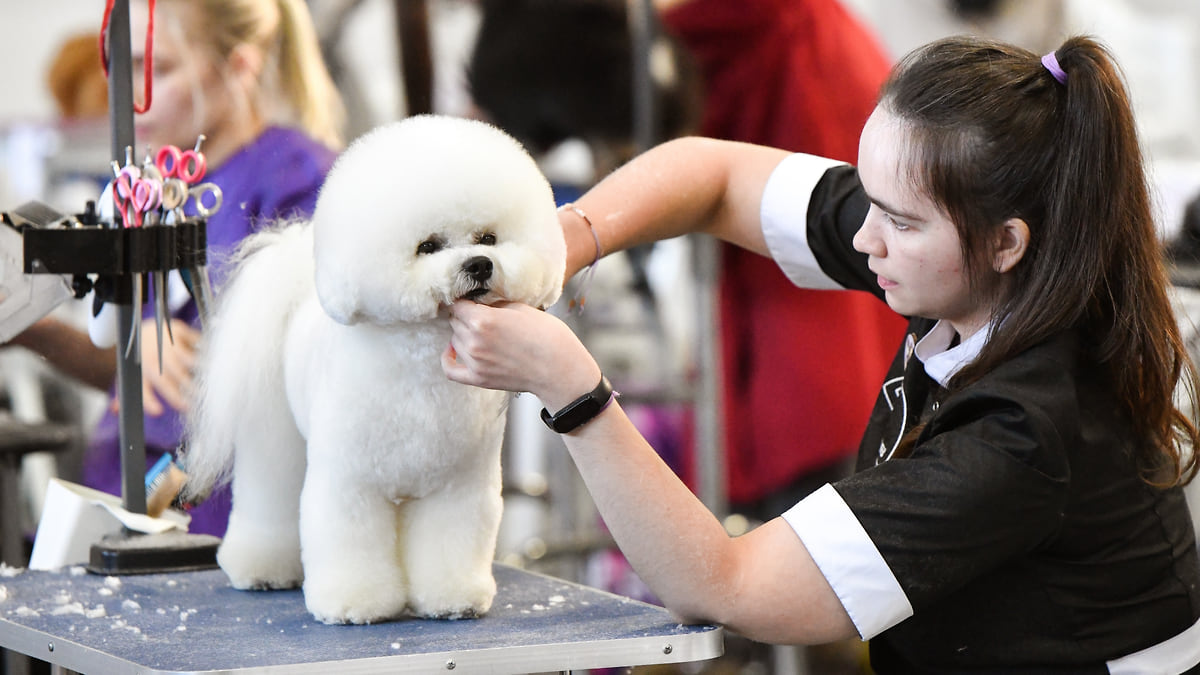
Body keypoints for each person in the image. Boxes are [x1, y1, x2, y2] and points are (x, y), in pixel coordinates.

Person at [442, 34, 1200, 672]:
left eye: (900, 223)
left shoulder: (1023, 432)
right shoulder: (979, 261)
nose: (864, 238)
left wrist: (568, 387)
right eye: (868, 199)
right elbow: (715, 175)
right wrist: (564, 241)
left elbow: (725, 586)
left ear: (1007, 242)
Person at [11, 0, 344, 537]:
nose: (132, 99)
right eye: (126, 68)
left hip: (223, 514)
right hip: (120, 491)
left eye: (159, 71)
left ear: (239, 65)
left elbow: (307, 384)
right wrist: (29, 327)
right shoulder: (143, 192)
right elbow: (142, 374)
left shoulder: (300, 183)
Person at [655, 0, 908, 522]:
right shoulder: (820, 28)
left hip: (799, 358)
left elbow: (686, 158)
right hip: (853, 348)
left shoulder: (743, 29)